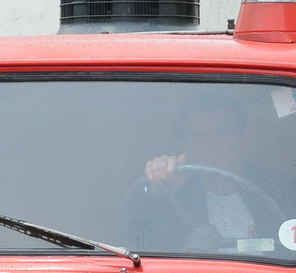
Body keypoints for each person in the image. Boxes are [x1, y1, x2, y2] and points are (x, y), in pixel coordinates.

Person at [119, 97, 282, 252]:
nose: (210, 144)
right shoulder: (177, 198)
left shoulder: (278, 191)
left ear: (242, 139)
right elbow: (139, 244)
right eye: (199, 136)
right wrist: (157, 187)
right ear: (185, 145)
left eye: (221, 133)